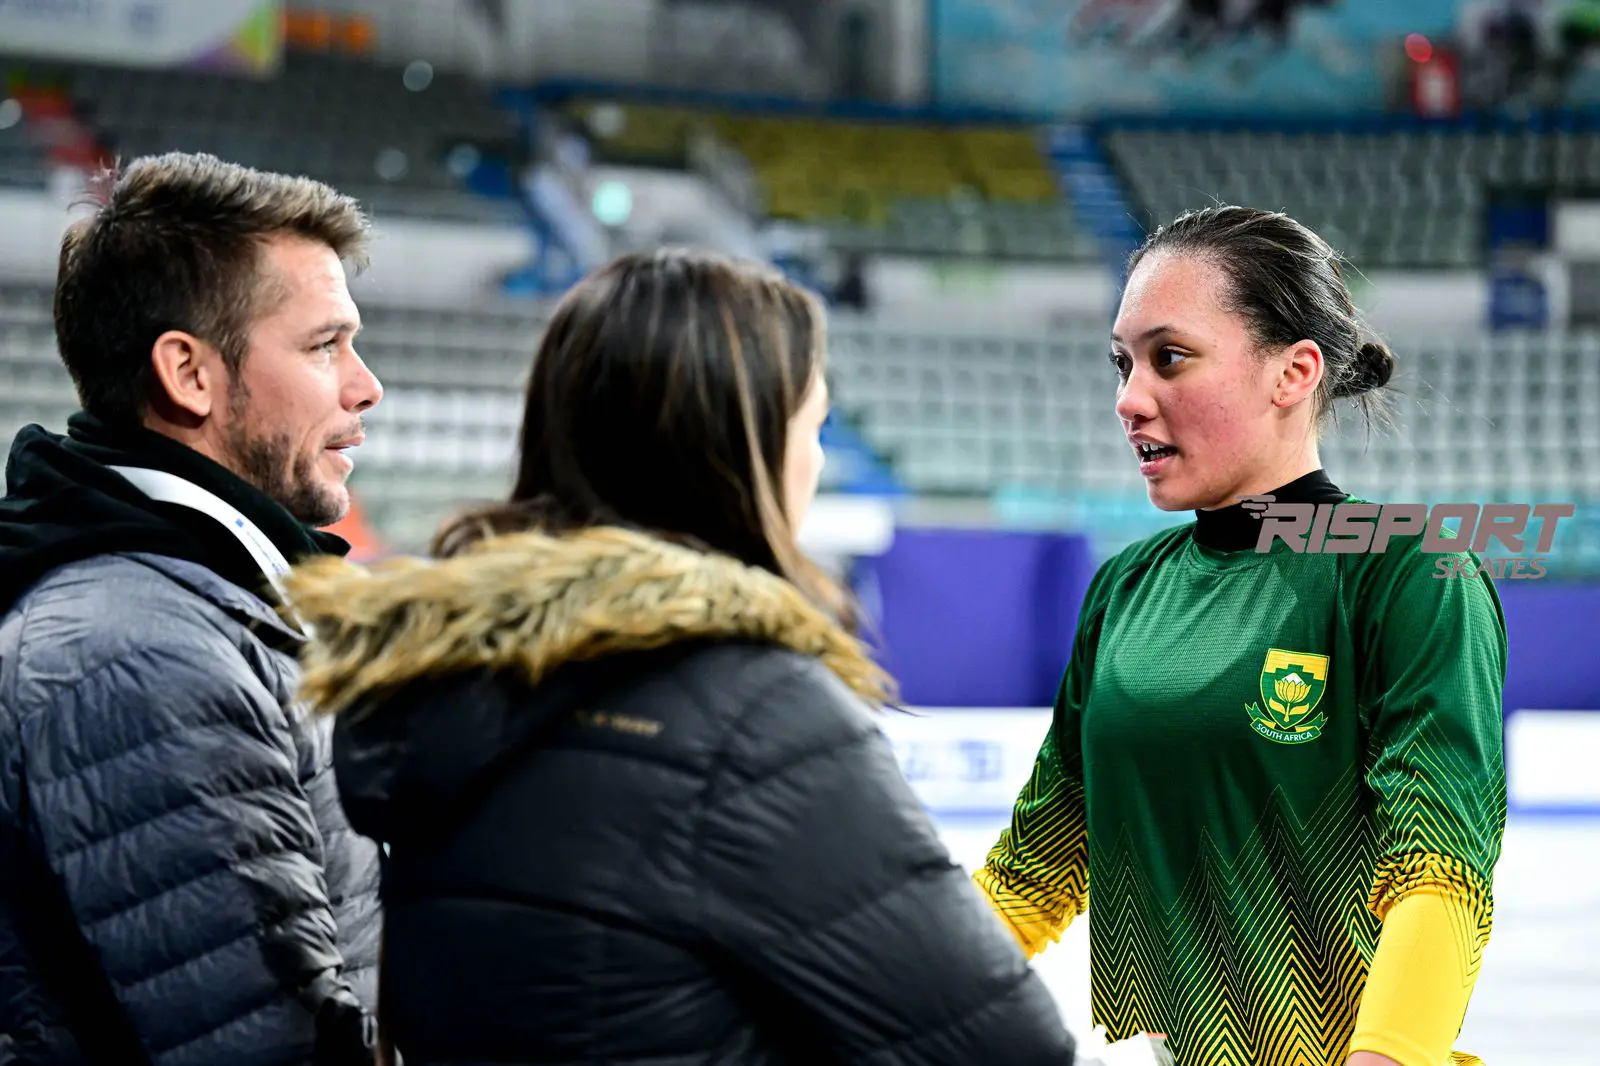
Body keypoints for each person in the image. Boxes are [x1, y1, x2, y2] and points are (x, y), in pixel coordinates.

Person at [280, 248, 1079, 1066]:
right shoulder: (755, 711)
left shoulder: (439, 683)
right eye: (813, 424)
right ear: (748, 448)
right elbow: (1004, 1047)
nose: (818, 460)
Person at [976, 206, 1507, 1066]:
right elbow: (1035, 868)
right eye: (1122, 363)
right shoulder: (1126, 588)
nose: (1129, 398)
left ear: (1293, 372)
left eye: (1170, 358)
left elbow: (1438, 869)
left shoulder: (1405, 567)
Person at [0, 153, 385, 1063]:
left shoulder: (210, 600)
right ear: (189, 374)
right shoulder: (137, 651)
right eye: (325, 345)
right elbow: (276, 1044)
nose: (364, 385)